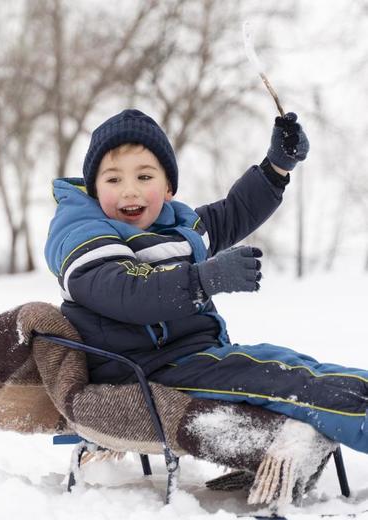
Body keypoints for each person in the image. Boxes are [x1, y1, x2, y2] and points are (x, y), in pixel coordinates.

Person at [44, 108, 368, 453]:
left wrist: (276, 168)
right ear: (94, 189)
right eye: (113, 180)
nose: (129, 191)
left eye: (144, 177)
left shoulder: (173, 228)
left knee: (289, 364)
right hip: (144, 373)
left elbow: (233, 213)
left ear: (168, 187)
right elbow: (125, 291)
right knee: (280, 379)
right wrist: (202, 279)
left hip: (189, 359)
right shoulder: (82, 234)